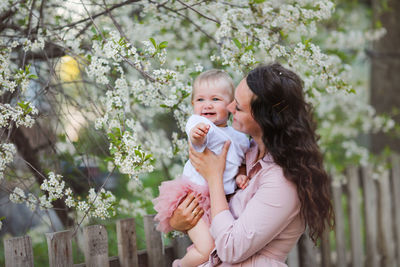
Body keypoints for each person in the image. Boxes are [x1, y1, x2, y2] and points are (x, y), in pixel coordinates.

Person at [169, 63, 335, 266]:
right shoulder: (247, 153)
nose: (229, 108)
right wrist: (181, 222)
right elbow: (217, 217)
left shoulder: (282, 181)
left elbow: (230, 249)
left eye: (237, 107)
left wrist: (214, 177)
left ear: (264, 118)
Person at [153, 69, 250, 267]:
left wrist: (241, 175)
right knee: (206, 249)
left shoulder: (240, 138)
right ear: (193, 105)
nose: (207, 105)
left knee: (219, 247)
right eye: (200, 100)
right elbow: (196, 139)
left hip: (220, 201)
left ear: (231, 105)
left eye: (215, 99)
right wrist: (198, 135)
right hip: (194, 198)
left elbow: (241, 162)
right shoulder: (200, 124)